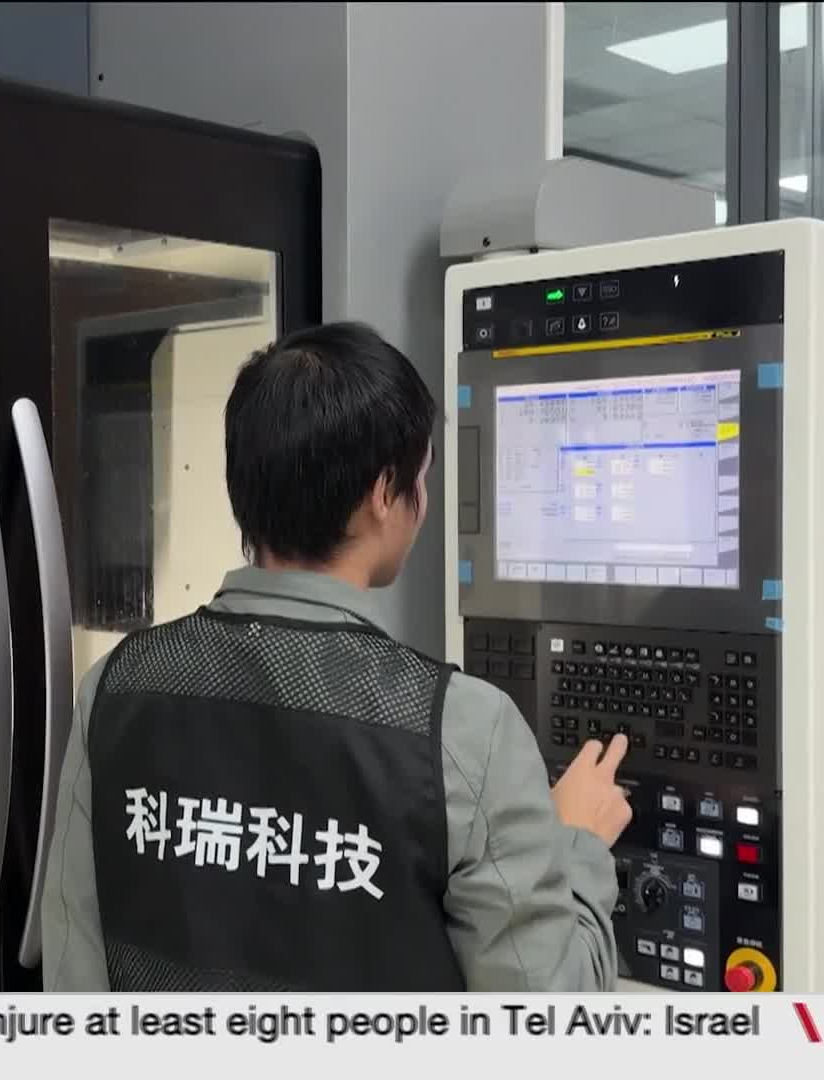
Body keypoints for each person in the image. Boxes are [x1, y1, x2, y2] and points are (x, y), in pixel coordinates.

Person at [40, 321, 631, 992]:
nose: (423, 501)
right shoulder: (464, 730)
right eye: (422, 478)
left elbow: (73, 974)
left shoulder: (118, 688)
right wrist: (576, 847)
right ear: (385, 494)